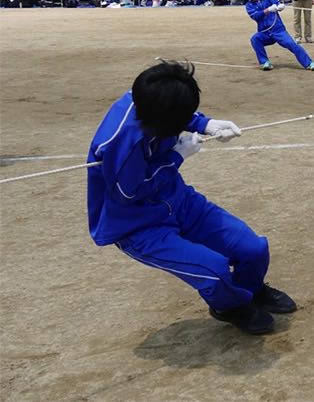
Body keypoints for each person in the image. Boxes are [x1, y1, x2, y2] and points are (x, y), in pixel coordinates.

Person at [86, 61, 296, 335]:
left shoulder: (152, 96)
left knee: (252, 249)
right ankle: (229, 307)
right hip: (138, 226)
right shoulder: (122, 141)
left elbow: (173, 110)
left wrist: (204, 123)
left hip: (179, 201)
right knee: (215, 270)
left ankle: (250, 290)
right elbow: (129, 193)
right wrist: (176, 157)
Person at [243, 0, 314, 71]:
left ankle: (309, 63)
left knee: (292, 44)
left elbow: (277, 3)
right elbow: (255, 16)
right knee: (255, 39)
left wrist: (280, 6)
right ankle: (264, 62)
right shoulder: (249, 6)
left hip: (278, 30)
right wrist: (268, 10)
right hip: (265, 32)